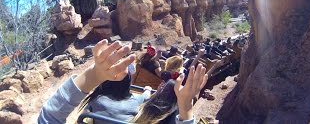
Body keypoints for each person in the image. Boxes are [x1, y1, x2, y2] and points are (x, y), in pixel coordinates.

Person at [38, 40, 208, 124]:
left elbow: (49, 117)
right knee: (164, 91)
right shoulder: (139, 102)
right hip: (148, 94)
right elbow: (148, 96)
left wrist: (93, 76)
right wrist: (185, 108)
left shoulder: (98, 101)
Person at [79, 73, 152, 123]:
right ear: (128, 84)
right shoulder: (137, 99)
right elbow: (146, 96)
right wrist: (148, 89)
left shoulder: (96, 98)